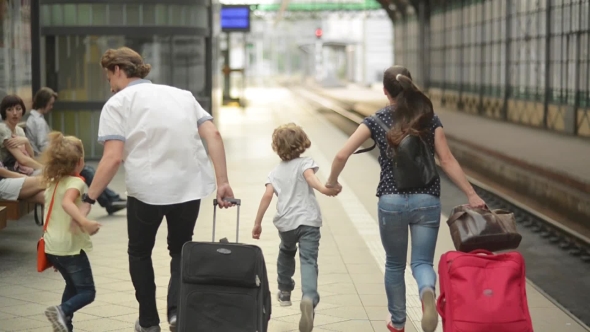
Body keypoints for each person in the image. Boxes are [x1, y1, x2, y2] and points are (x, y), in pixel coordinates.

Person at [79, 47, 235, 332]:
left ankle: (149, 322)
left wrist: (89, 197)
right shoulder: (182, 95)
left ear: (117, 70)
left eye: (108, 78)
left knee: (139, 252)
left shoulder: (117, 103)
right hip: (188, 189)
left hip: (146, 191)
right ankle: (177, 313)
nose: (109, 85)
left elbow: (113, 157)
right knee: (180, 249)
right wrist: (222, 181)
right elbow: (212, 133)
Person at [325, 66, 486, 332]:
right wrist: (471, 193)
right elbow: (446, 160)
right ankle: (426, 292)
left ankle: (398, 322)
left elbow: (342, 155)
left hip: (391, 201)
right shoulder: (428, 118)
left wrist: (331, 182)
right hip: (427, 199)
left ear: (385, 91)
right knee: (422, 262)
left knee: (394, 264)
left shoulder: (375, 120)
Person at [251, 123, 340, 332]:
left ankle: (284, 290)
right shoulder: (305, 164)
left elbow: (266, 196)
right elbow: (313, 181)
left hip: (287, 224)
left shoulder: (274, 173)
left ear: (276, 147)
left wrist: (257, 223)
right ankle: (308, 297)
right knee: (308, 260)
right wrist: (327, 190)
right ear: (302, 144)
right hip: (308, 221)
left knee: (286, 251)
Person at [25, 87, 127, 215]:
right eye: (50, 104)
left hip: (45, 158)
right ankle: (110, 201)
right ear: (44, 103)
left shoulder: (36, 119)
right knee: (87, 171)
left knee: (87, 170)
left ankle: (110, 200)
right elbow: (43, 145)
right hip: (45, 160)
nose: (51, 107)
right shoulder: (37, 121)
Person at [41, 131, 101, 332]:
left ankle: (65, 323)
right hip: (69, 248)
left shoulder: (52, 183)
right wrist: (85, 222)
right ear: (79, 161)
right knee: (87, 291)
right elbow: (67, 203)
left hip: (53, 247)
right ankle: (62, 310)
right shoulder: (76, 183)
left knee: (73, 286)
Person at [0, 95, 43, 175]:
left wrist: (26, 141)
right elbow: (22, 159)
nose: (15, 113)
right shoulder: (2, 129)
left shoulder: (19, 130)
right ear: (4, 112)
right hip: (8, 173)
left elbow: (31, 156)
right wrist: (44, 168)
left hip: (22, 170)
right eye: (10, 110)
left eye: (18, 109)